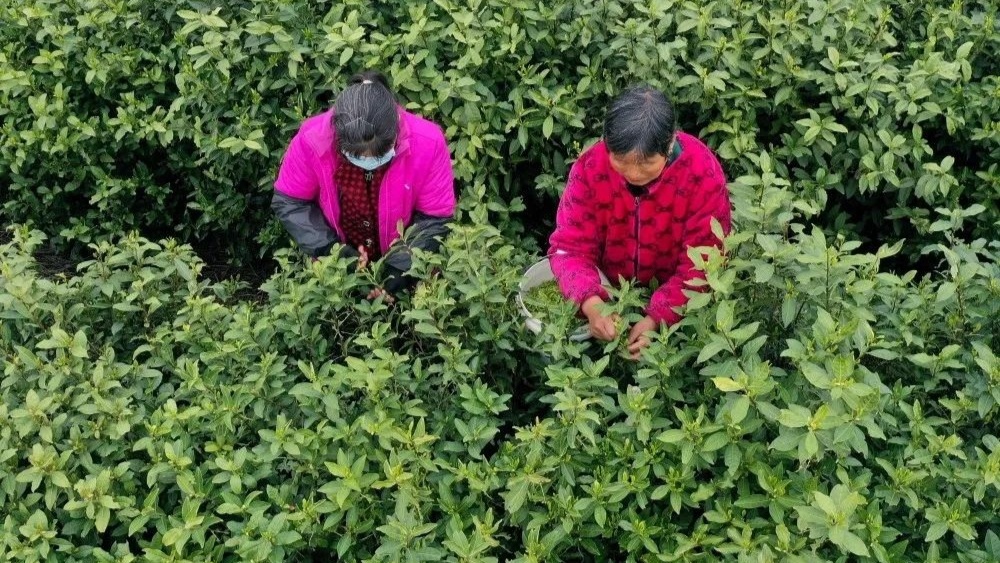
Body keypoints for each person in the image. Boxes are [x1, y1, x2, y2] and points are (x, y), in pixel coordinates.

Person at [548, 85, 732, 358]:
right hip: (608, 296)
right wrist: (592, 303)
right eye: (620, 160)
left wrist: (658, 319)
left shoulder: (701, 173)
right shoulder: (590, 168)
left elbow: (704, 262)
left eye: (646, 162)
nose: (634, 173)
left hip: (679, 309)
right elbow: (569, 248)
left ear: (669, 144)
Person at [272, 70, 455, 300]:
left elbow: (434, 218)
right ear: (338, 137)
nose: (368, 164)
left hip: (405, 262)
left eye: (379, 155)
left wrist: (400, 269)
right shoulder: (312, 139)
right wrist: (334, 252)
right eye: (357, 156)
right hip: (337, 262)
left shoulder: (428, 142)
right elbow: (291, 202)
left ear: (396, 132)